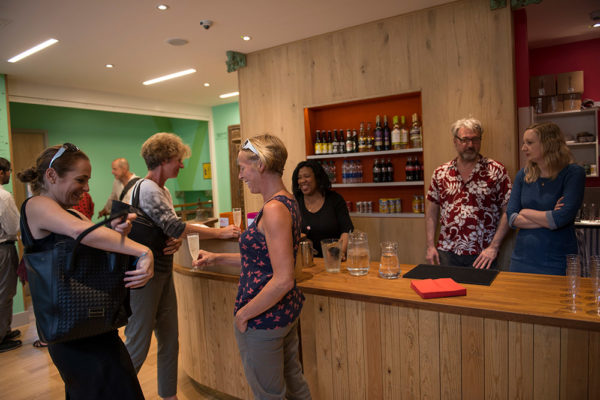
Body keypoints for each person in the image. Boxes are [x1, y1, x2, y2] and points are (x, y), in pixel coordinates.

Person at [17, 143, 154, 399]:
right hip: (71, 331)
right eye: (81, 179)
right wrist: (144, 251)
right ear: (51, 175)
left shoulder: (70, 213)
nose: (87, 187)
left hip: (96, 324)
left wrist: (117, 233)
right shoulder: (36, 205)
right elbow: (81, 233)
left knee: (123, 388)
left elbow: (94, 243)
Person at [193, 134, 311, 400]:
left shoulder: (273, 209)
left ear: (261, 165)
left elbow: (283, 279)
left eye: (242, 167)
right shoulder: (286, 201)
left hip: (264, 320)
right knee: (295, 386)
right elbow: (263, 263)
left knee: (269, 395)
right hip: (283, 315)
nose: (239, 176)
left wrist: (244, 314)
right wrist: (216, 258)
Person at [124, 132, 240, 400]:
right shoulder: (148, 188)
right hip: (144, 276)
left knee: (169, 340)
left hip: (161, 272)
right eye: (178, 160)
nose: (182, 165)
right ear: (164, 160)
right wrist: (220, 234)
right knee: (138, 345)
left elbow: (170, 229)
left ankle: (169, 396)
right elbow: (175, 225)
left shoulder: (161, 190)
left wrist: (175, 240)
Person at [425, 117, 512, 269]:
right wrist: (430, 245)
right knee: (446, 292)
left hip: (483, 255)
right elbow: (432, 212)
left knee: (482, 293)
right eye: (465, 140)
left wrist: (494, 247)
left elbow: (509, 211)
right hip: (446, 252)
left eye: (475, 140)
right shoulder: (441, 173)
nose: (470, 145)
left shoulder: (496, 171)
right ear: (455, 141)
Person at [506, 122, 585, 275]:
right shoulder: (523, 174)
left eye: (529, 143)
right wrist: (548, 217)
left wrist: (525, 211)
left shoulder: (573, 173)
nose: (523, 148)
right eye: (524, 143)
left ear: (548, 144)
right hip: (521, 259)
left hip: (557, 261)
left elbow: (561, 218)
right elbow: (511, 217)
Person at [292, 160, 353, 260]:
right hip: (304, 261)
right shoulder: (295, 201)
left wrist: (339, 252)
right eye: (299, 178)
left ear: (318, 177)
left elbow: (346, 231)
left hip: (333, 260)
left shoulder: (335, 199)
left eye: (307, 176)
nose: (302, 180)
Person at [0, 158, 22, 353]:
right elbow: (13, 226)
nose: (9, 175)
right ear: (1, 172)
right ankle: (1, 336)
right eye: (8, 171)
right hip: (3, 249)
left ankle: (5, 330)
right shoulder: (4, 196)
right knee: (4, 293)